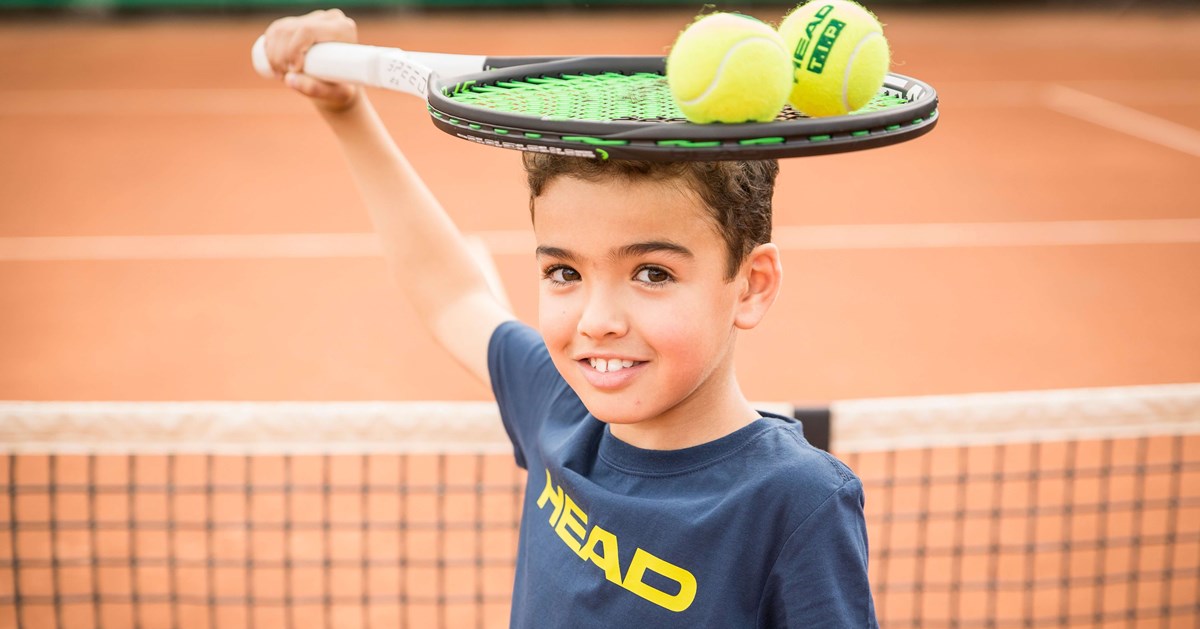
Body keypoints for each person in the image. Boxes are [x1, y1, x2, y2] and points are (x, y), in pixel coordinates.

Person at [260, 9, 877, 627]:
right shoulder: (561, 410)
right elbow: (450, 295)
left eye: (652, 274)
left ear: (750, 286)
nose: (597, 320)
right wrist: (345, 112)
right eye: (565, 273)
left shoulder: (797, 503)